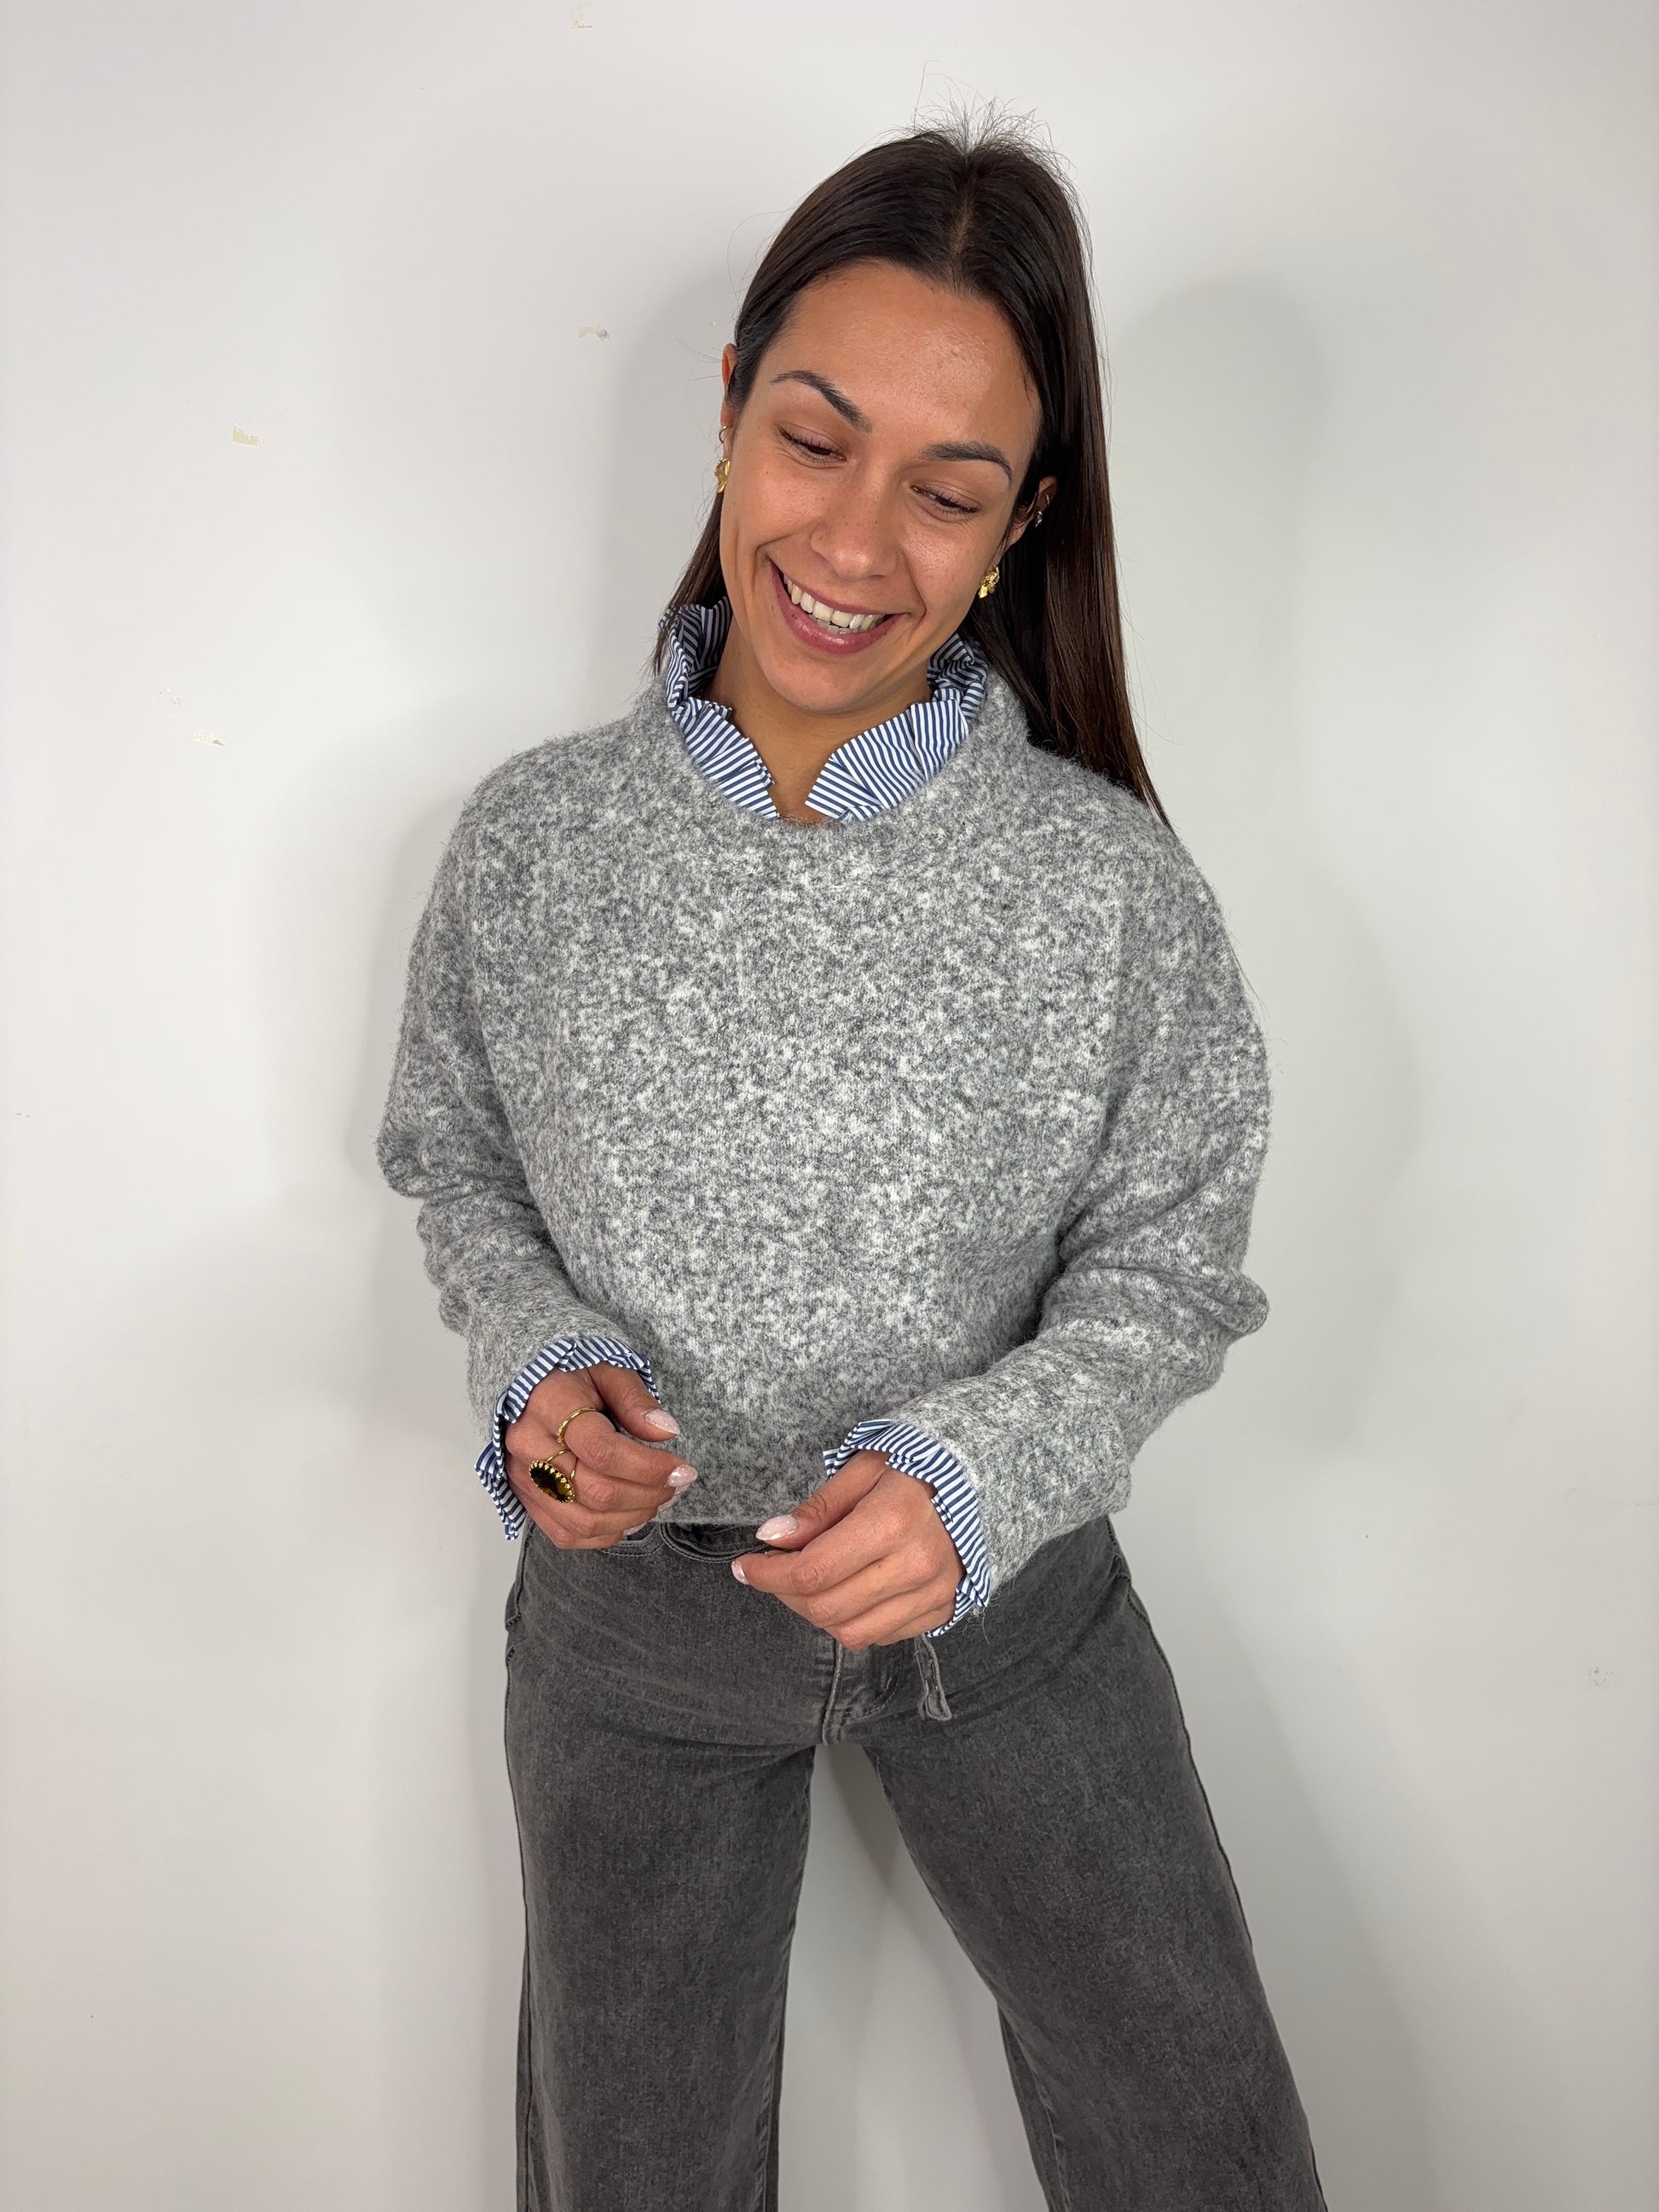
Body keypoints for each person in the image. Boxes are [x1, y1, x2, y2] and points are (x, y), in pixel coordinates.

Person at [377, 113, 1327, 2212]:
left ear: (1019, 528)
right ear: (728, 408)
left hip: (1018, 1616)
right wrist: (537, 1370)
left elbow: (1171, 1264)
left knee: (1201, 2146)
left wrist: (978, 1474)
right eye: (815, 438)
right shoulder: (531, 846)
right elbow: (458, 1162)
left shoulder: (1106, 886)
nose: (858, 539)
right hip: (630, 1636)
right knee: (631, 2170)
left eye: (949, 488)